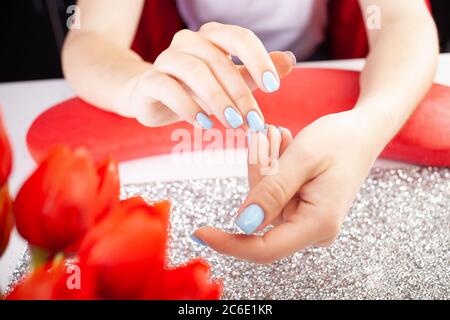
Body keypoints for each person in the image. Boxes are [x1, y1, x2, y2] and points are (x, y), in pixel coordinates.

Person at [62, 0, 439, 263]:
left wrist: (368, 126)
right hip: (186, 74)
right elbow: (89, 37)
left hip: (328, 60)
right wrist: (137, 86)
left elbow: (402, 21)